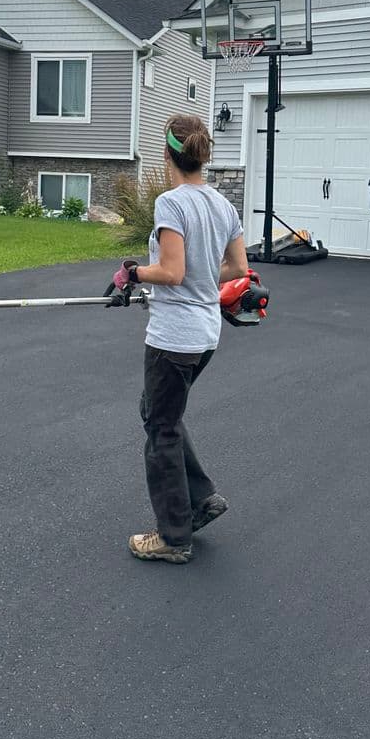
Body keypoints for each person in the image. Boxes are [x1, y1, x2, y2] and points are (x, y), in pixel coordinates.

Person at [111, 113, 249, 564]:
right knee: (156, 411)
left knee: (161, 429)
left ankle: (173, 537)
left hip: (174, 338)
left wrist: (134, 272)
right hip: (205, 335)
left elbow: (171, 272)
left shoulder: (172, 203)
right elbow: (236, 269)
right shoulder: (222, 205)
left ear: (169, 153)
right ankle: (202, 498)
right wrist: (200, 280)